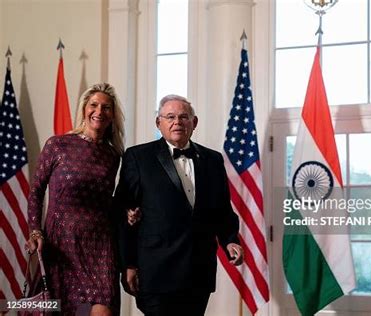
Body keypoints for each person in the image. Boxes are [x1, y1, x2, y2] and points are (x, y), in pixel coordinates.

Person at [115, 94, 243, 316]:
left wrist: (230, 241)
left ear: (194, 123)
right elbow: (123, 213)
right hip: (155, 272)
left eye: (184, 117)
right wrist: (128, 264)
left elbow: (222, 210)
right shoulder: (138, 157)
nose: (177, 122)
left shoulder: (213, 160)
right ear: (159, 123)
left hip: (198, 272)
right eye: (170, 116)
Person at [26, 83, 125, 315]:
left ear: (113, 115)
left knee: (103, 308)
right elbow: (36, 190)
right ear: (84, 109)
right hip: (61, 243)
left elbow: (106, 199)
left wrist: (127, 212)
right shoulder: (58, 144)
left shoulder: (113, 155)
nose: (99, 111)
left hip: (101, 245)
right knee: (66, 309)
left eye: (106, 107)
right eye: (94, 105)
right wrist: (35, 231)